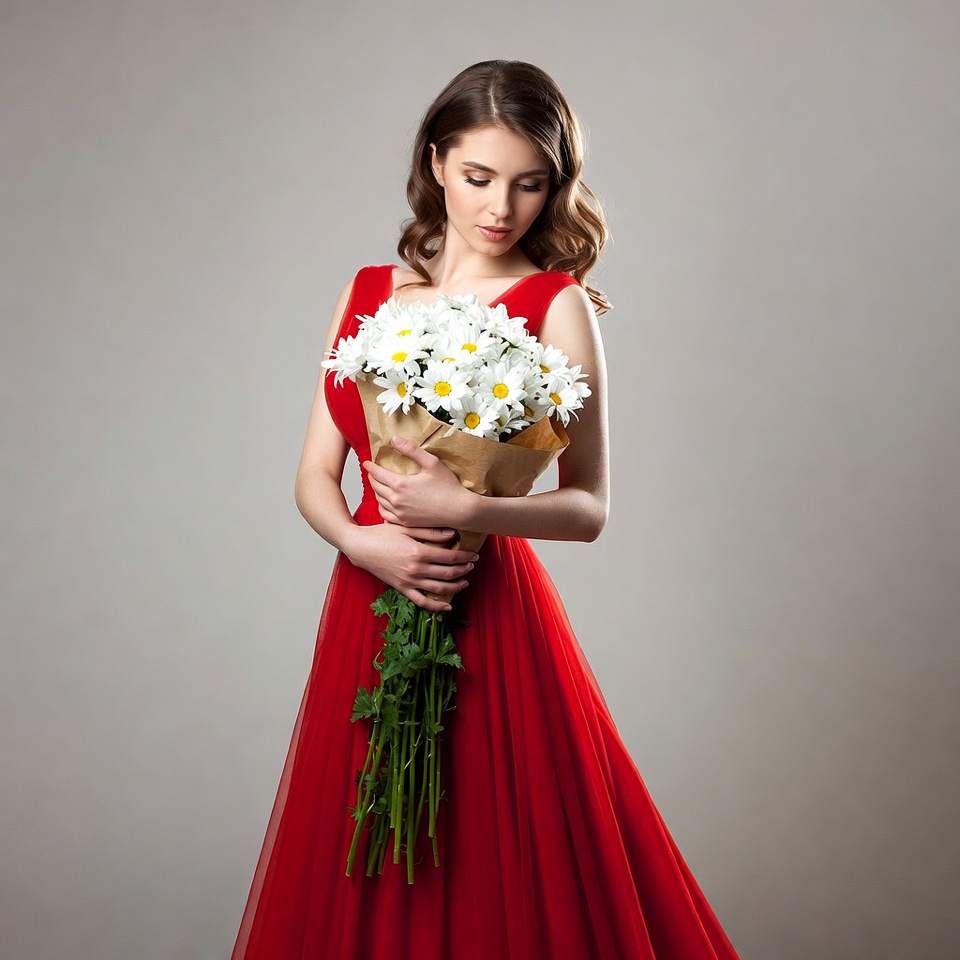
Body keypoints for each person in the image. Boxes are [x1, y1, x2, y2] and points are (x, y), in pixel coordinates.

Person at [232, 60, 740, 960]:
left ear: (555, 185)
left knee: (495, 850)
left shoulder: (557, 305)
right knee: (376, 843)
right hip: (372, 597)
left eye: (529, 183)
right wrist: (365, 544)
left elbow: (588, 507)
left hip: (488, 611)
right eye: (478, 178)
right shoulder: (364, 296)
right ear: (436, 163)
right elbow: (315, 472)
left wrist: (465, 502)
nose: (501, 207)